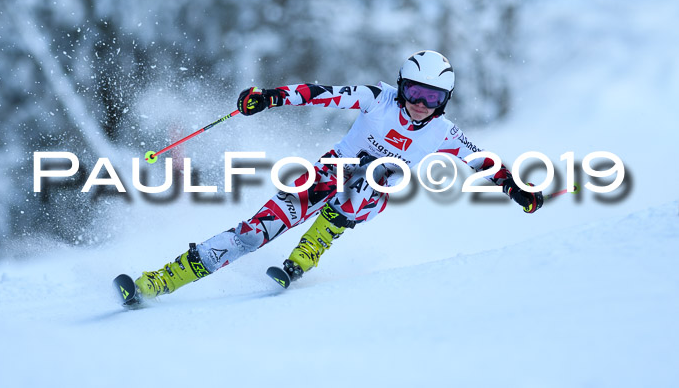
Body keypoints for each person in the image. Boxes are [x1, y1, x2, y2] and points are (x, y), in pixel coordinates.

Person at [132, 50, 543, 299]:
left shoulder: (444, 133)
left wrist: (516, 189)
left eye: (432, 97)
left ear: (445, 100)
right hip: (330, 170)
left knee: (371, 181)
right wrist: (270, 98)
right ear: (401, 86)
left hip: (370, 191)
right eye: (415, 92)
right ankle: (162, 280)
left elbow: (484, 162)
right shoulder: (376, 100)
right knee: (256, 231)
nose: (421, 104)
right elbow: (318, 92)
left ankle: (311, 248)